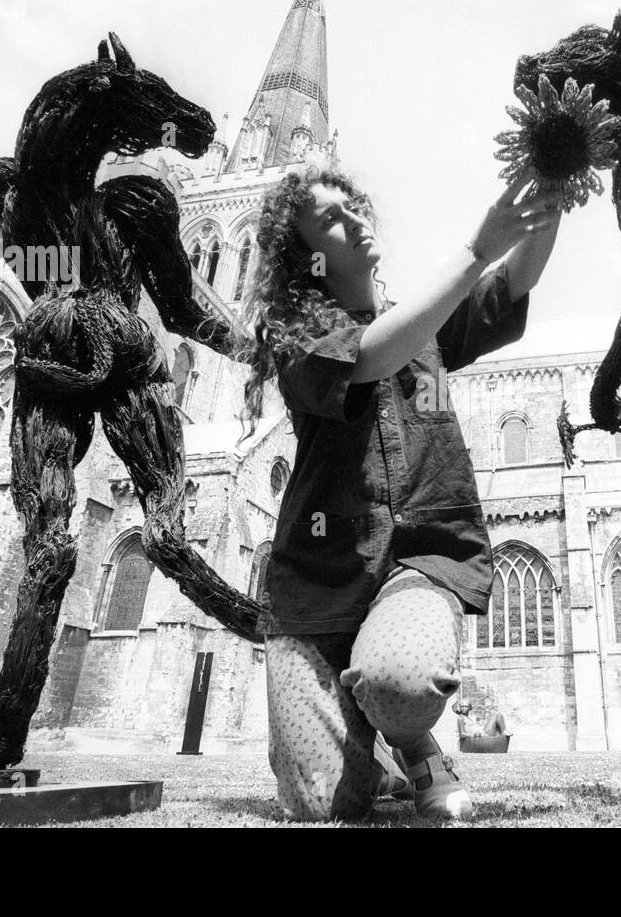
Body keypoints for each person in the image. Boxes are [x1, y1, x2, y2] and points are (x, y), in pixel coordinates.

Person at [240, 167, 561, 821]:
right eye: (332, 219)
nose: (357, 220)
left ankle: (415, 743)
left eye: (356, 206)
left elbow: (514, 284)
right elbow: (366, 358)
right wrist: (475, 251)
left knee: (402, 680)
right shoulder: (293, 332)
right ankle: (377, 757)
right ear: (309, 260)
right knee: (318, 804)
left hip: (415, 566)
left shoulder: (425, 328)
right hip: (317, 589)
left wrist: (548, 196)